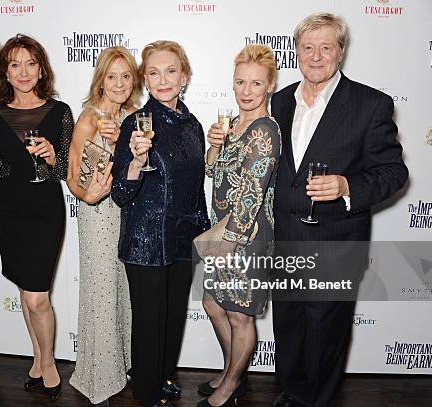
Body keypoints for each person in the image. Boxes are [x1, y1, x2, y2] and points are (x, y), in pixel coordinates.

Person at [270, 13, 408, 407]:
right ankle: (294, 393)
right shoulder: (279, 101)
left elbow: (393, 172)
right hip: (285, 241)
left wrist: (348, 186)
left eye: (326, 47)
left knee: (326, 334)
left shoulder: (370, 104)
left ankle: (319, 401)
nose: (316, 57)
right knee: (291, 327)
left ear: (341, 52)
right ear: (296, 51)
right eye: (308, 47)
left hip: (335, 240)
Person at [111, 40, 210, 407]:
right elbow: (121, 193)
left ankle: (164, 376)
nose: (163, 79)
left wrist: (202, 235)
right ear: (145, 80)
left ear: (184, 76)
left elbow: (195, 187)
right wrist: (136, 161)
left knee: (172, 318)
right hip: (146, 240)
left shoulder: (193, 125)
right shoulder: (135, 126)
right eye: (154, 72)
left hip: (183, 240)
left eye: (171, 71)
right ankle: (146, 391)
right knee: (150, 321)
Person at [0, 34, 73, 401]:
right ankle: (38, 358)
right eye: (14, 64)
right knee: (26, 292)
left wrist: (54, 157)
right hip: (7, 210)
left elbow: (68, 173)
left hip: (44, 211)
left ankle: (50, 362)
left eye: (30, 63)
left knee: (38, 297)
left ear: (41, 69)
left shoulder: (60, 112)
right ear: (5, 72)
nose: (23, 72)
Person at [198, 44, 281, 407]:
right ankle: (235, 368)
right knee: (214, 304)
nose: (246, 91)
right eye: (240, 82)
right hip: (222, 231)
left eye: (256, 84)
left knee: (239, 314)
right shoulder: (232, 122)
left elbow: (252, 193)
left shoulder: (265, 131)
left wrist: (230, 242)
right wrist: (214, 146)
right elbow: (212, 171)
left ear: (270, 85)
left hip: (246, 237)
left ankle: (232, 383)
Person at [67, 46, 141, 406]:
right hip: (97, 216)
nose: (119, 83)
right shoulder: (88, 118)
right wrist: (91, 196)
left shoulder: (135, 116)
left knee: (121, 289)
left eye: (126, 76)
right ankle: (99, 376)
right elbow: (73, 179)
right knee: (101, 292)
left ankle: (121, 365)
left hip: (127, 214)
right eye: (112, 76)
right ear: (101, 79)